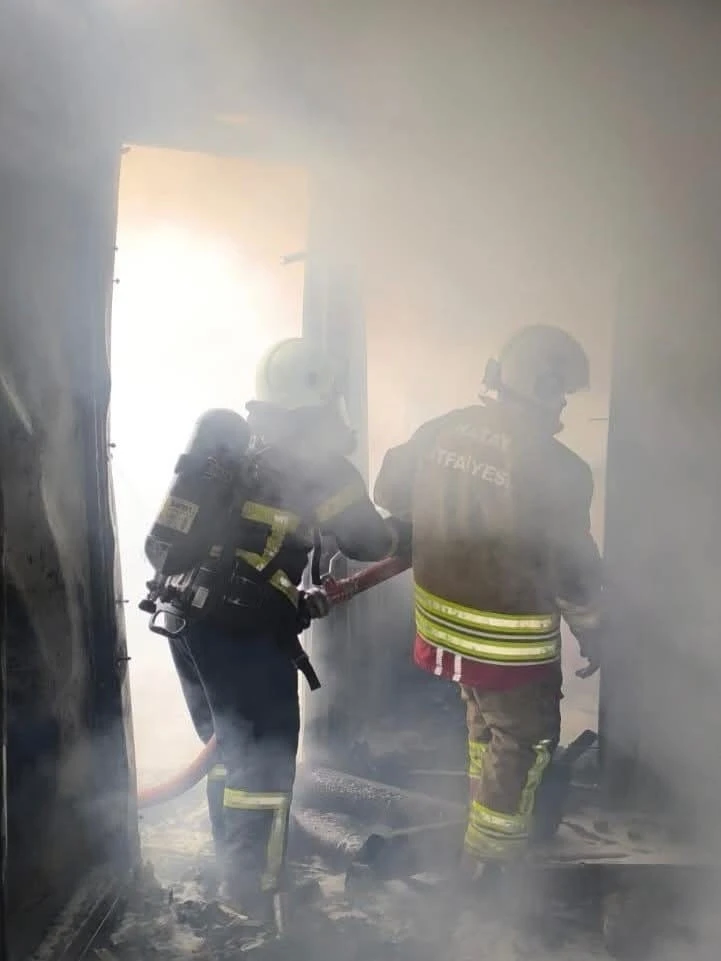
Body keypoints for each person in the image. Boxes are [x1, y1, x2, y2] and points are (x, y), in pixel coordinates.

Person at [158, 337, 406, 921]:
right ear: (320, 401)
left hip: (186, 621)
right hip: (242, 635)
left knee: (230, 755)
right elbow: (370, 541)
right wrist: (408, 527)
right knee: (263, 772)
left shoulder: (237, 449)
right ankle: (252, 903)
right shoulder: (323, 468)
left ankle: (235, 875)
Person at [373, 324, 604, 880]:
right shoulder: (561, 469)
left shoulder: (444, 428)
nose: (564, 405)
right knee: (525, 739)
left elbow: (389, 492)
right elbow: (572, 570)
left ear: (498, 377)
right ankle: (488, 875)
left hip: (439, 626)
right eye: (563, 393)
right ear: (547, 389)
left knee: (486, 726)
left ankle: (478, 827)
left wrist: (450, 504)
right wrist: (596, 632)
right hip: (506, 640)